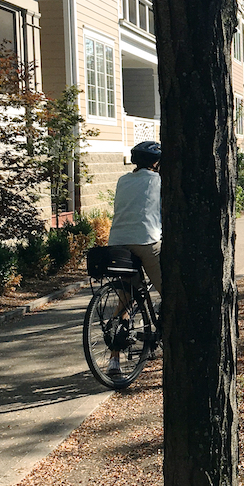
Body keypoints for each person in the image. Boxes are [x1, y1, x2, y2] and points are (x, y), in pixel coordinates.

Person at [107, 140, 162, 376]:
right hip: (146, 241)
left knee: (125, 300)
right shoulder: (159, 181)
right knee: (172, 293)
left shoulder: (123, 180)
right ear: (157, 162)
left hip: (118, 243)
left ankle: (114, 362)